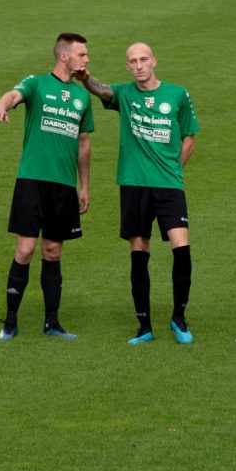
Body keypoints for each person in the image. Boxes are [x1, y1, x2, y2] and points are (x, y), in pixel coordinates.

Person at [79, 43, 200, 345]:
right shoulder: (125, 94)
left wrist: (173, 170)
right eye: (133, 61)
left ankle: (179, 317)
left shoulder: (177, 94)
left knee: (181, 248)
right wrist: (85, 79)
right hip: (134, 184)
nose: (139, 65)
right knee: (138, 248)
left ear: (154, 61)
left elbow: (189, 137)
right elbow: (102, 90)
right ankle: (144, 326)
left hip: (169, 185)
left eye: (143, 59)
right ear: (128, 67)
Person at [0, 33, 95, 340]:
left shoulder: (82, 97)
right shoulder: (36, 83)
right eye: (82, 54)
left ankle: (52, 323)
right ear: (64, 56)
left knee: (52, 251)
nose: (86, 59)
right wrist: (1, 105)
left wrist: (84, 186)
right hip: (33, 180)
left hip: (63, 185)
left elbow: (84, 144)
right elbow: (12, 95)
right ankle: (10, 322)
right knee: (25, 249)